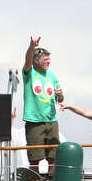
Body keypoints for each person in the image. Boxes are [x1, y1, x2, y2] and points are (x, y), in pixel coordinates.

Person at [22, 36, 64, 171]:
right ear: (36, 60)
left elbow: (60, 99)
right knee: (35, 158)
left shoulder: (52, 76)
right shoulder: (30, 73)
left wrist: (60, 95)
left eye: (49, 59)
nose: (48, 62)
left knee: (53, 156)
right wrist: (32, 47)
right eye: (45, 59)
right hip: (34, 121)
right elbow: (27, 60)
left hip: (52, 121)